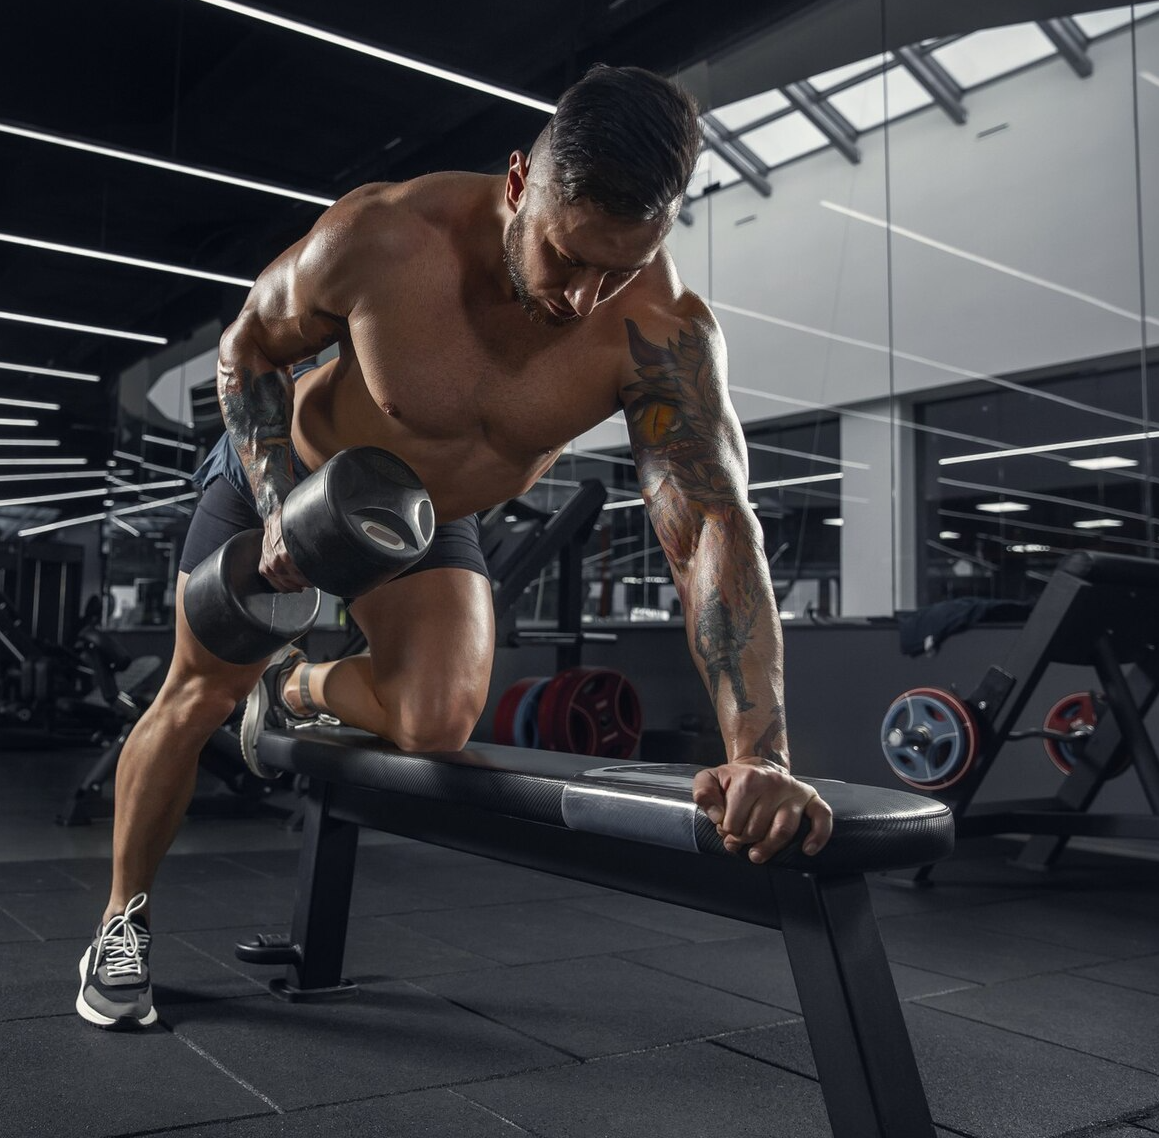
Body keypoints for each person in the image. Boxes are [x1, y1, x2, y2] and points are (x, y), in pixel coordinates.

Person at [76, 64, 835, 1030]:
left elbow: (712, 530)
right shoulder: (383, 237)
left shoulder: (659, 334)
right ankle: (122, 919)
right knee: (194, 696)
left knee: (436, 723)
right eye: (566, 258)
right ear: (519, 184)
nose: (584, 295)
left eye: (621, 265)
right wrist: (277, 505)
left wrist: (757, 755)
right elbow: (246, 350)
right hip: (292, 479)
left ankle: (295, 693)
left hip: (427, 520)